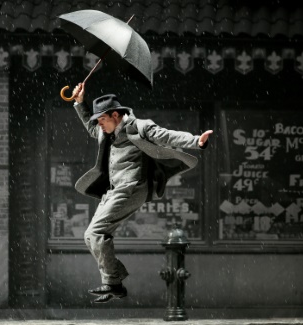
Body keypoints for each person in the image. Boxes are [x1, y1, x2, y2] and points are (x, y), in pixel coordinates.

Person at [71, 83, 213, 303]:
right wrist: (80, 104)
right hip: (113, 191)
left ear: (115, 115)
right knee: (91, 236)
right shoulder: (105, 131)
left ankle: (113, 281)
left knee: (96, 232)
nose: (99, 125)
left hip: (131, 188)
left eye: (102, 120)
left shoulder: (138, 126)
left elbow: (166, 136)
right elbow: (92, 130)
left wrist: (195, 141)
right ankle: (115, 283)